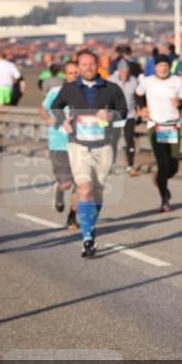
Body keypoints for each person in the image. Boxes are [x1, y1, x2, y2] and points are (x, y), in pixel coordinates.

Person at [49, 49, 128, 257]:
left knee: (97, 191)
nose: (88, 68)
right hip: (78, 146)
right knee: (85, 189)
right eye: (84, 65)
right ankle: (88, 238)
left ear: (97, 65)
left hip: (104, 146)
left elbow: (124, 111)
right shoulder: (69, 88)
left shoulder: (111, 88)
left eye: (92, 64)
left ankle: (90, 225)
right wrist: (62, 121)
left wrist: (111, 115)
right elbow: (56, 107)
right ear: (79, 67)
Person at [137, 55, 182, 212]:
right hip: (155, 124)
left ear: (169, 67)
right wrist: (141, 108)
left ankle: (159, 179)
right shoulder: (147, 81)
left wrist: (180, 103)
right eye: (160, 66)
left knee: (173, 166)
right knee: (163, 162)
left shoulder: (177, 81)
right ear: (155, 67)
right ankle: (165, 198)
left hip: (173, 125)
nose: (163, 69)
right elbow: (138, 95)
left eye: (166, 65)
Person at [40, 60, 79, 229]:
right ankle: (59, 189)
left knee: (81, 182)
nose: (74, 76)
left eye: (77, 73)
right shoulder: (56, 91)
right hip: (59, 143)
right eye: (70, 73)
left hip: (80, 143)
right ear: (65, 75)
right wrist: (48, 119)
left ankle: (72, 216)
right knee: (67, 184)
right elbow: (43, 109)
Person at [108, 61, 140, 176]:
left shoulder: (133, 80)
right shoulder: (111, 80)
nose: (125, 75)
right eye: (123, 72)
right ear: (119, 71)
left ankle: (130, 166)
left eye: (127, 72)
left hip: (130, 115)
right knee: (114, 140)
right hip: (116, 115)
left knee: (129, 140)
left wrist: (140, 108)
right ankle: (112, 165)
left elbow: (138, 96)